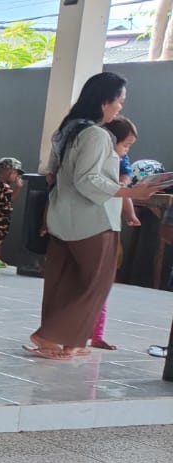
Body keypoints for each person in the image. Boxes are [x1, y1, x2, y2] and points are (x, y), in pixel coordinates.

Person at [32, 72, 166, 360]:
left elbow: (55, 175)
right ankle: (48, 336)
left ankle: (63, 341)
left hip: (63, 217)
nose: (120, 107)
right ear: (105, 101)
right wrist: (131, 193)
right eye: (120, 101)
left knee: (63, 282)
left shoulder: (69, 129)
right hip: (92, 220)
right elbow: (88, 180)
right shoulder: (96, 134)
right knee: (95, 284)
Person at [90, 116, 142, 352]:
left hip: (109, 227)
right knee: (92, 282)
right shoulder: (97, 158)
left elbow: (124, 187)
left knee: (103, 282)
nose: (127, 151)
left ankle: (97, 334)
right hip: (92, 226)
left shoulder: (121, 163)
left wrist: (130, 213)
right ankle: (81, 333)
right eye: (126, 145)